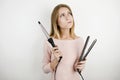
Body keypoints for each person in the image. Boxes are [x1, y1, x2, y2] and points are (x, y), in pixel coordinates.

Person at [42, 4, 86, 80]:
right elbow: (45, 69)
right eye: (62, 15)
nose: (68, 17)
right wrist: (55, 60)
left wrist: (80, 67)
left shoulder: (79, 41)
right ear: (56, 22)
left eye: (70, 13)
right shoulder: (49, 42)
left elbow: (78, 69)